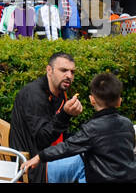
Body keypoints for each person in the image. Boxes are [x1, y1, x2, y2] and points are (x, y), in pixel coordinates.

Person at [21, 72, 136, 183]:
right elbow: (131, 145)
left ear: (92, 100)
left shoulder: (92, 128)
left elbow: (67, 147)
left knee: (83, 165)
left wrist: (39, 157)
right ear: (119, 102)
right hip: (132, 179)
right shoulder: (127, 123)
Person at [9, 51, 85, 183]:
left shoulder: (60, 93)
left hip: (48, 157)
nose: (69, 76)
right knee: (85, 164)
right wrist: (65, 115)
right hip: (32, 166)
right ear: (49, 70)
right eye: (63, 70)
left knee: (92, 152)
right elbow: (42, 140)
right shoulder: (34, 95)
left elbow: (59, 135)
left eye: (72, 72)